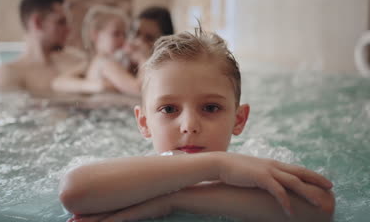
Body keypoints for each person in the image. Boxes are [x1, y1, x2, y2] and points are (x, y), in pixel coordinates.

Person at [58, 28, 335, 222]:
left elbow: (321, 206)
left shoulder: (253, 170)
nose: (189, 125)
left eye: (210, 108)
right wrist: (217, 164)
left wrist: (172, 200)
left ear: (238, 119)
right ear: (144, 123)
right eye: (168, 109)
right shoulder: (133, 177)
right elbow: (73, 191)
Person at [52, 6, 175, 97]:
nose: (125, 39)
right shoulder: (105, 62)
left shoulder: (114, 61)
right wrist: (142, 59)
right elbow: (139, 89)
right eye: (116, 34)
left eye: (125, 34)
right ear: (96, 35)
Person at [0, 0, 73, 97]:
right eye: (61, 22)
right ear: (37, 23)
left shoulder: (72, 63)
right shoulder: (8, 75)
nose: (68, 29)